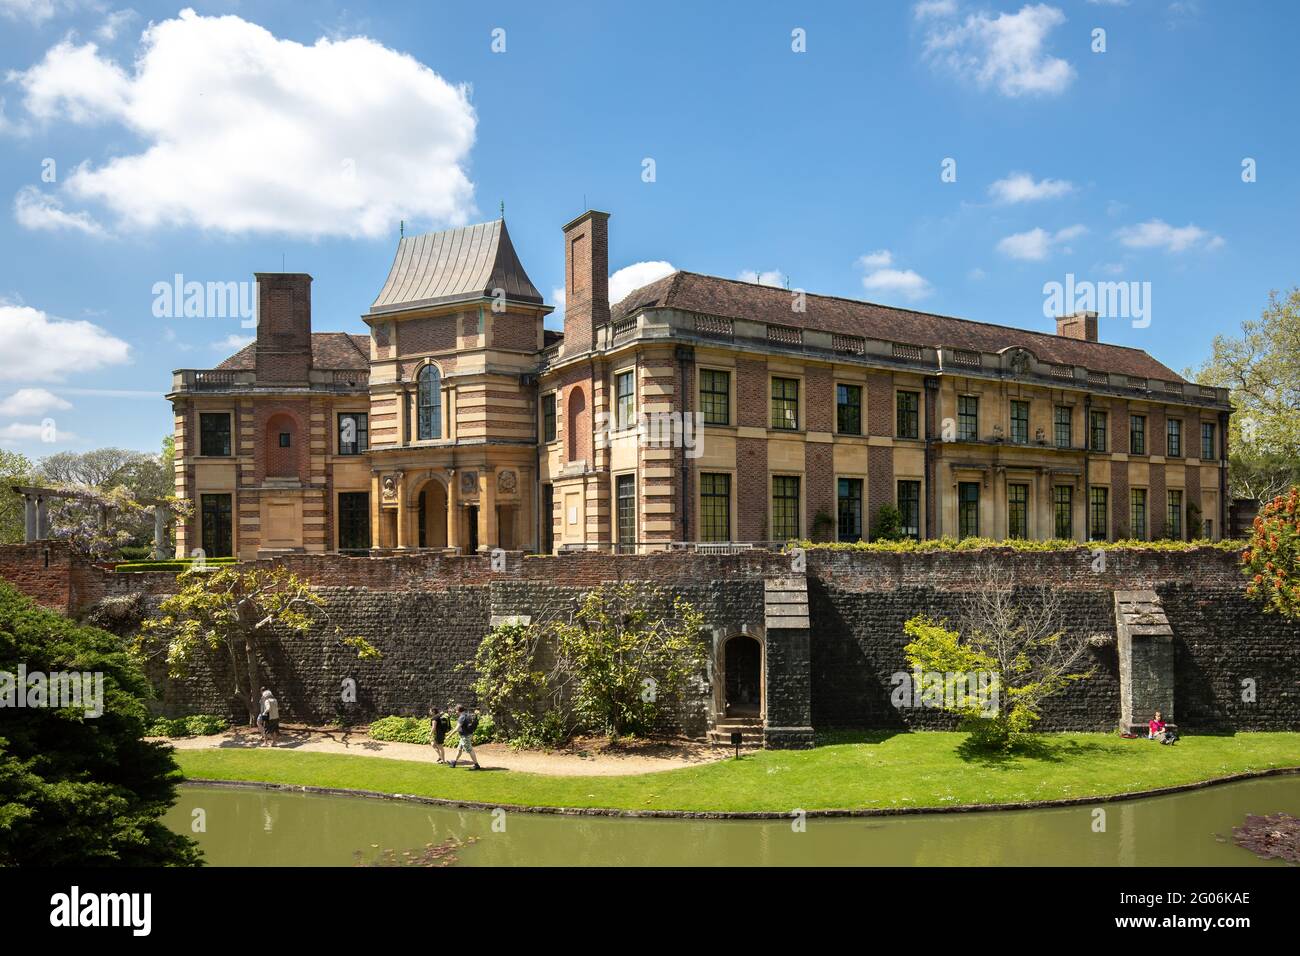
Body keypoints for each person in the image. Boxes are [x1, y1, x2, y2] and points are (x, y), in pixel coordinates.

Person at [448, 704, 481, 770]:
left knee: (470, 750)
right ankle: (454, 762)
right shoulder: (467, 715)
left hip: (465, 736)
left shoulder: (462, 717)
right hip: (466, 735)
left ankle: (476, 765)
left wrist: (449, 735)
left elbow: (457, 728)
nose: (455, 712)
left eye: (456, 710)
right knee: (459, 749)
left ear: (458, 710)